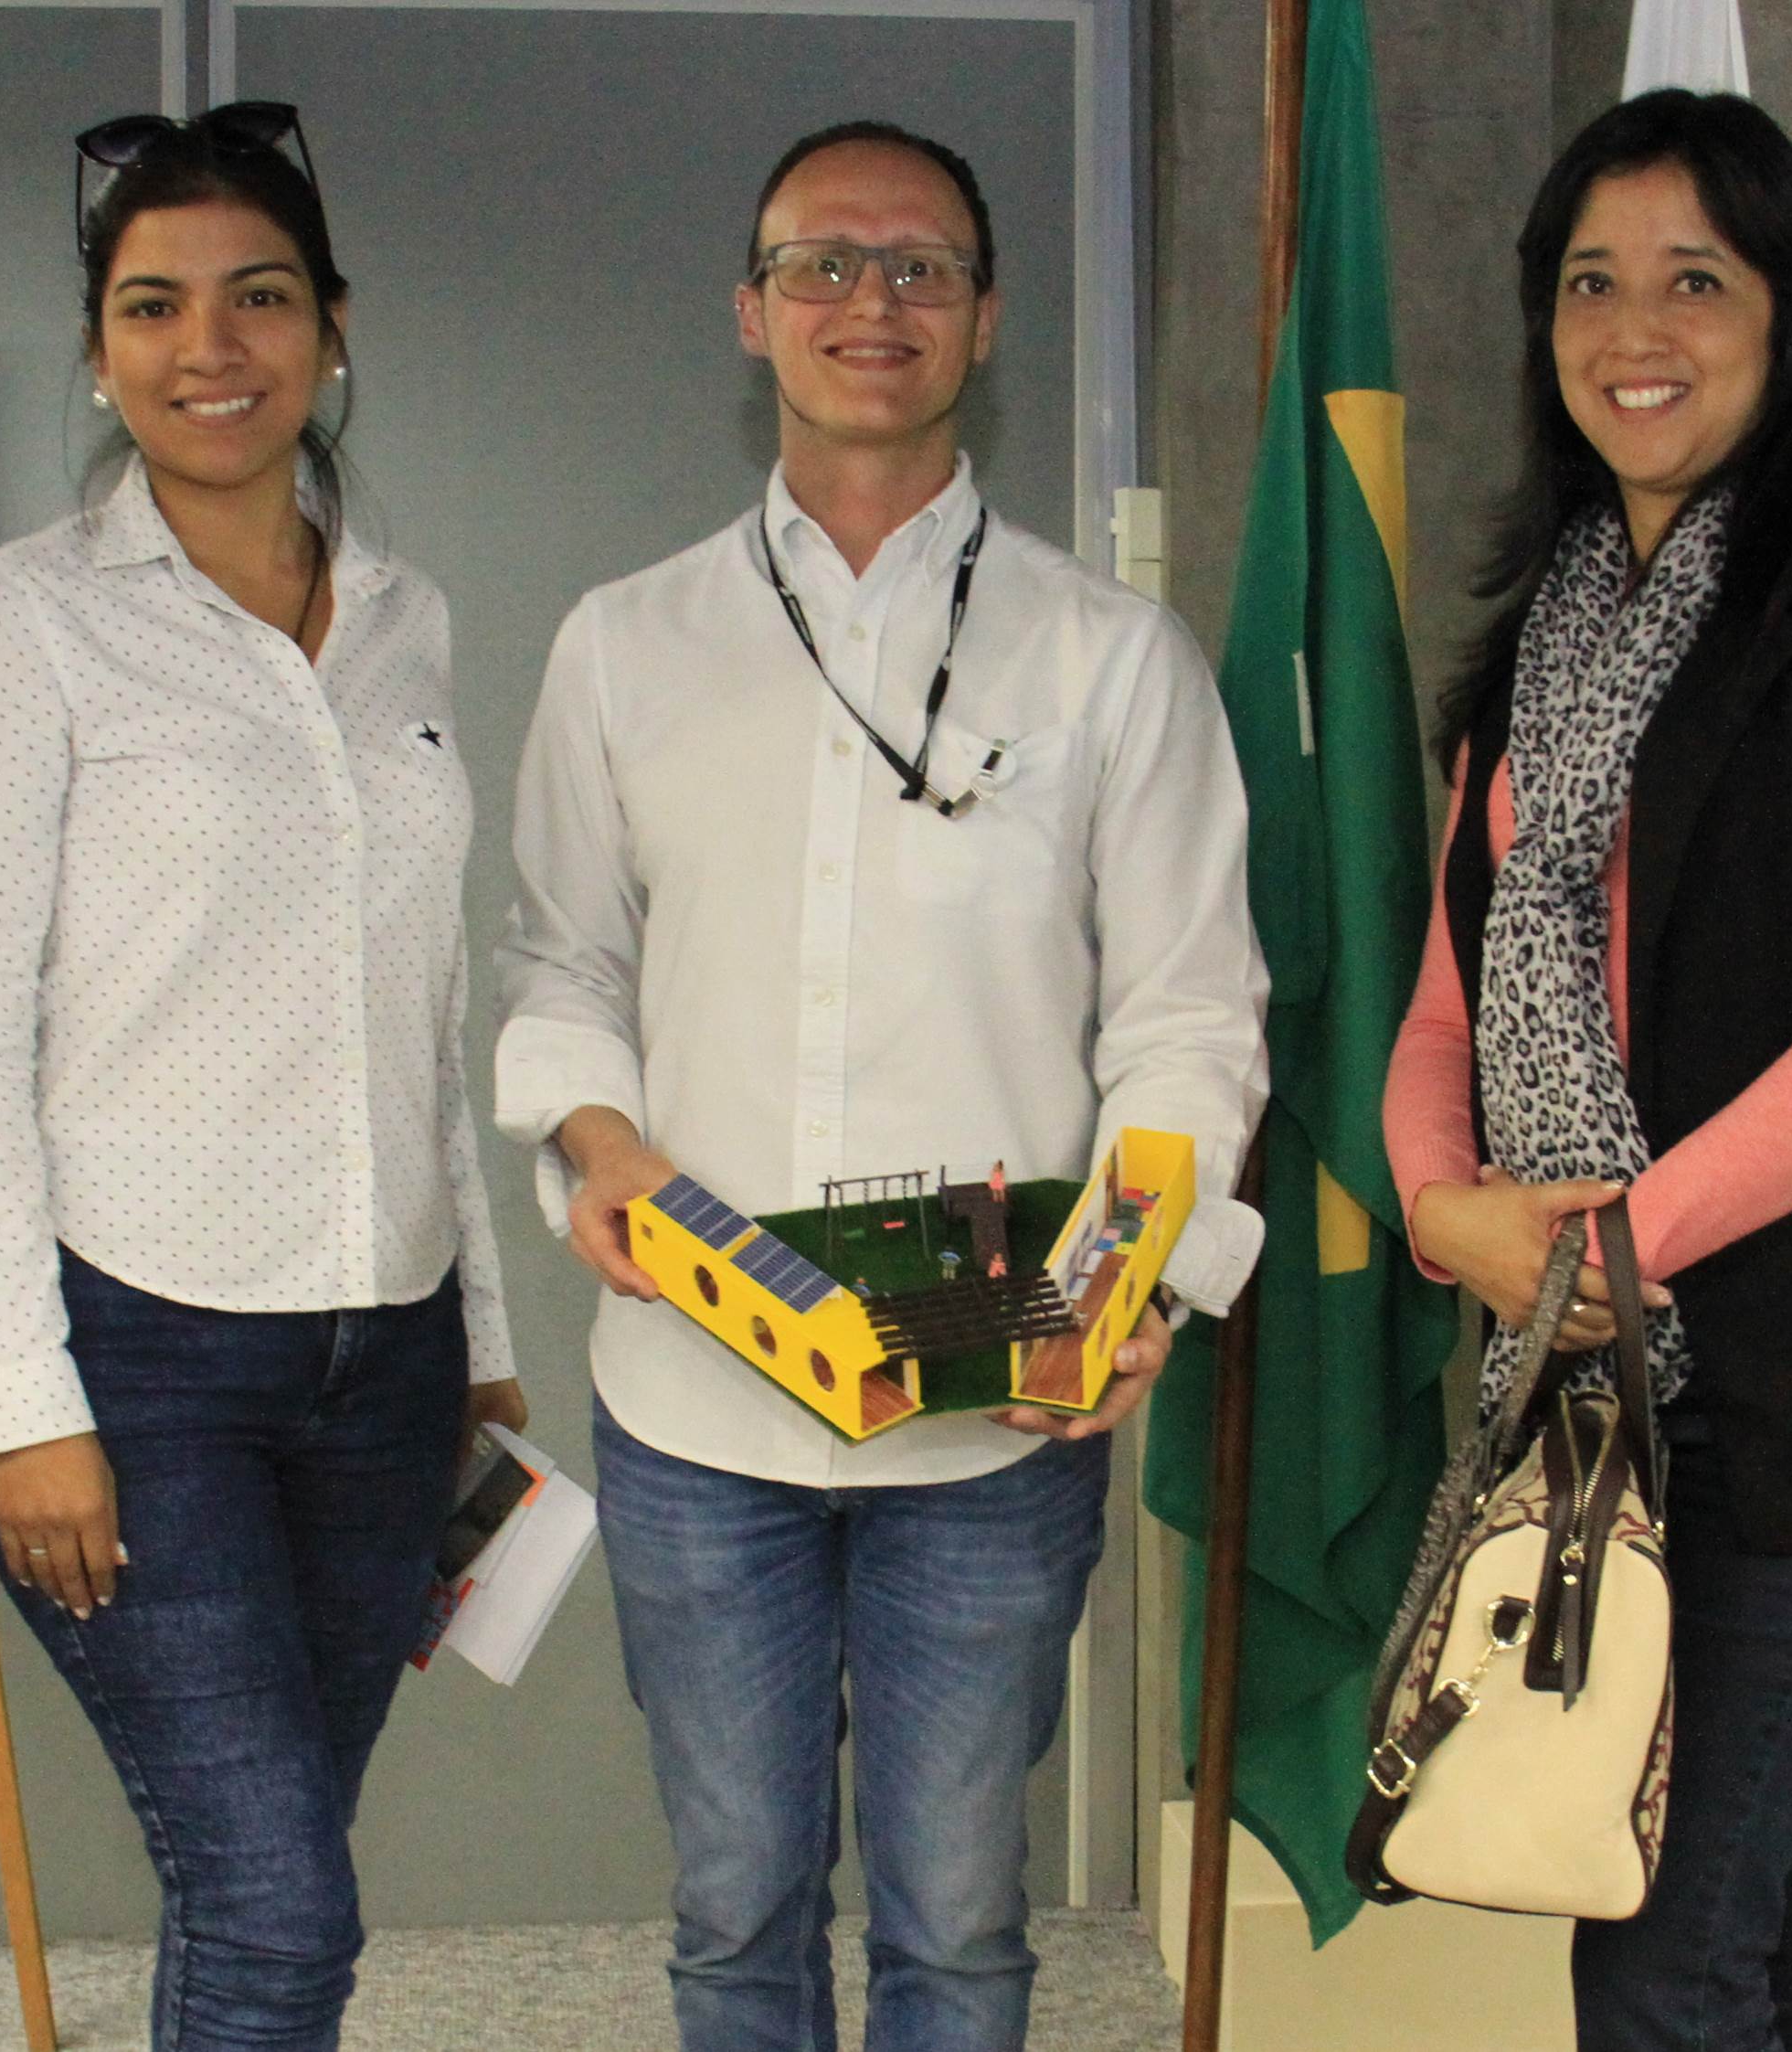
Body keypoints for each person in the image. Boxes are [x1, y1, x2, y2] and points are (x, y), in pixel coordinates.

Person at [495, 120, 1266, 2050]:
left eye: (920, 265)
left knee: (958, 1923)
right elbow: (560, 962)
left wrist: (1134, 1279)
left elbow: (1186, 1019)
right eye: (821, 263)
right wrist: (595, 1137)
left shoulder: (1112, 659)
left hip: (995, 1407)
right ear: (749, 312)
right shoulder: (623, 645)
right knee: (734, 1911)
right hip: (695, 1389)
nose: (872, 300)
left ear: (985, 318)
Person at [1377, 90, 1792, 2052]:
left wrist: (1610, 1243)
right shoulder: (1542, 630)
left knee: (1661, 1951)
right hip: (1592, 1390)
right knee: (1745, 1925)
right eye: (1589, 284)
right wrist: (1437, 1208)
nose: (1633, 329)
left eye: (1693, 279)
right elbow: (1441, 1015)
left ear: (1785, 310)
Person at [0, 101, 523, 2052]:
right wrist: (24, 1403)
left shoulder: (407, 615)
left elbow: (424, 1013)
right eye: (152, 306)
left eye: (258, 296)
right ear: (97, 352)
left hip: (386, 1358)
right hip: (137, 1354)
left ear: (332, 328)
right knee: (276, 1904)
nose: (208, 345)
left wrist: (483, 1335)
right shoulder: (24, 621)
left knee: (273, 1880)